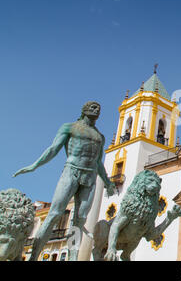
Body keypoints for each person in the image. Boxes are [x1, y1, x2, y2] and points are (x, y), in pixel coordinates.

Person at [13, 101, 116, 261]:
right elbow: (53, 149)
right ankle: (33, 256)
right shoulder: (70, 127)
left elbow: (98, 162)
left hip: (90, 177)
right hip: (71, 171)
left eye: (98, 108)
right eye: (92, 107)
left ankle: (73, 256)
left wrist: (108, 182)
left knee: (80, 219)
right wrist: (34, 165)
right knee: (55, 213)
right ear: (84, 110)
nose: (96, 110)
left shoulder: (100, 137)